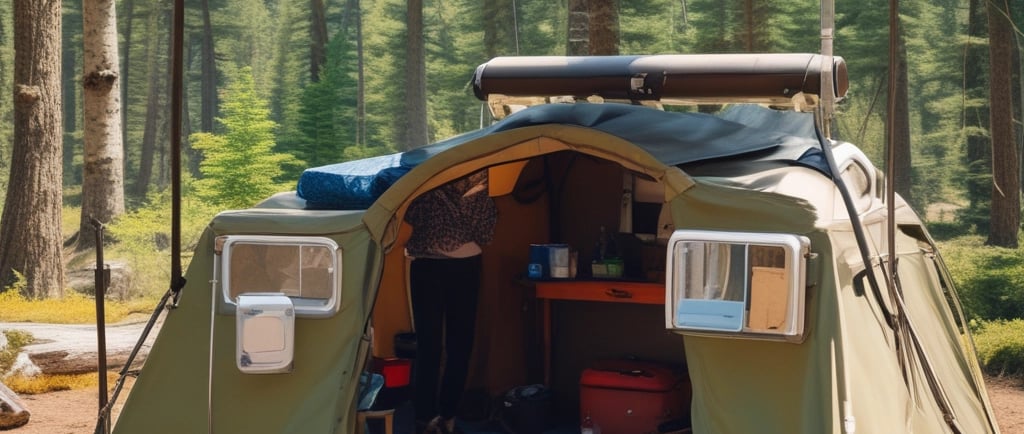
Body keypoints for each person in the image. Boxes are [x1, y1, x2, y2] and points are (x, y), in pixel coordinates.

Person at [404, 170, 498, 434]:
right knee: (460, 344)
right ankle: (446, 417)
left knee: (428, 345)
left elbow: (410, 217)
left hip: (426, 265)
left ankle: (424, 419)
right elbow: (486, 233)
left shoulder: (423, 184)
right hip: (464, 266)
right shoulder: (478, 187)